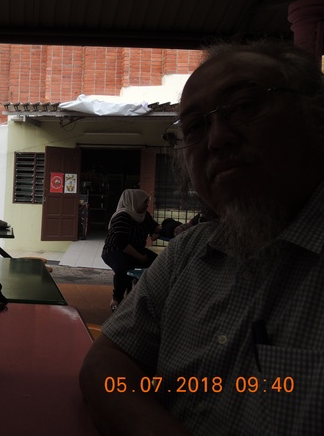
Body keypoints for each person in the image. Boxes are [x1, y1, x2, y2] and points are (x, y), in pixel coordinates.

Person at [79, 39, 324, 435]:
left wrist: (162, 235)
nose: (217, 138)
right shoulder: (189, 255)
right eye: (194, 127)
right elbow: (104, 365)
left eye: (244, 106)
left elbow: (153, 230)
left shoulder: (174, 241)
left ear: (316, 117)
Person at [101, 189, 161, 311]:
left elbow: (155, 226)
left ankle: (138, 289)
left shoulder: (144, 215)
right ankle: (116, 299)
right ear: (135, 202)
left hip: (136, 250)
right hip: (115, 250)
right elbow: (122, 244)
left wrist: (157, 232)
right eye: (144, 202)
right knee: (123, 267)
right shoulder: (122, 216)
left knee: (159, 263)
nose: (147, 205)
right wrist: (140, 257)